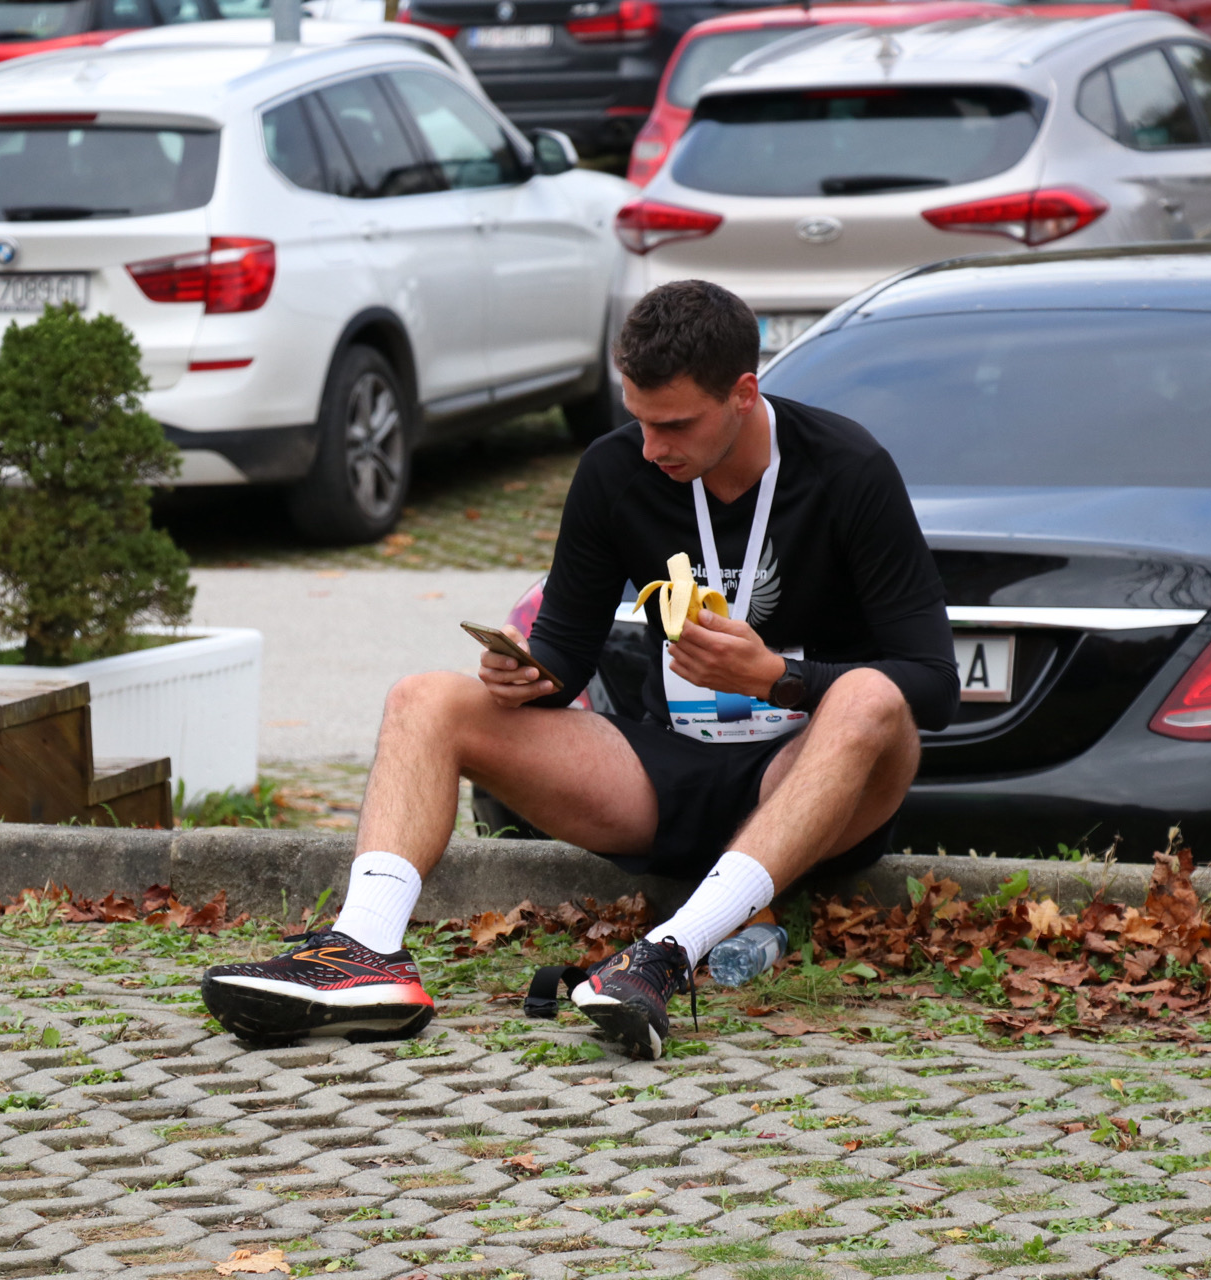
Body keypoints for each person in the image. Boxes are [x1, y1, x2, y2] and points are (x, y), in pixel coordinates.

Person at [201, 280, 959, 1058]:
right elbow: (566, 647)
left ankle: (665, 957)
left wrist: (776, 678)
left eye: (674, 425)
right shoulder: (616, 471)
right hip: (665, 782)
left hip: (808, 786)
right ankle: (363, 954)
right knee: (424, 699)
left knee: (872, 693)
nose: (653, 447)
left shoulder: (848, 468)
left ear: (742, 393)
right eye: (637, 419)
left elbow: (933, 685)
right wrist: (530, 675)